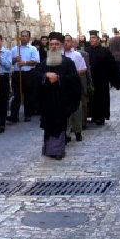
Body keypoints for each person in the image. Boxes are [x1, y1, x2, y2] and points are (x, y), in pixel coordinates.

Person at [39, 32, 81, 160]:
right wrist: (45, 76)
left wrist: (59, 78)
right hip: (47, 101)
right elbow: (36, 77)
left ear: (61, 45)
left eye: (56, 44)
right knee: (48, 126)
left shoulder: (68, 62)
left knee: (59, 126)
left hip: (61, 100)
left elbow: (74, 80)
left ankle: (58, 151)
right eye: (51, 44)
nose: (54, 46)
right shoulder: (44, 63)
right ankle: (48, 149)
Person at [87, 30, 120, 125]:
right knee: (92, 98)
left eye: (94, 38)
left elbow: (112, 66)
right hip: (91, 79)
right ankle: (93, 116)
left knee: (102, 98)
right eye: (91, 38)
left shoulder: (105, 51)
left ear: (98, 40)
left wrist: (115, 80)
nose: (92, 40)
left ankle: (101, 116)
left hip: (102, 79)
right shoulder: (87, 51)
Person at [8, 30, 40, 122]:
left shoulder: (32, 49)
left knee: (28, 94)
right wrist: (15, 59)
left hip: (28, 74)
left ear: (29, 38)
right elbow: (10, 62)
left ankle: (28, 114)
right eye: (22, 36)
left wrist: (24, 62)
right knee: (16, 95)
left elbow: (36, 61)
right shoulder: (15, 49)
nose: (24, 38)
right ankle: (14, 115)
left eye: (26, 36)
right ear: (20, 37)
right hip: (17, 74)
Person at [62, 35, 88, 141]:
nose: (66, 43)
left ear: (72, 43)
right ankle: (66, 133)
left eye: (68, 41)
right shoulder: (59, 55)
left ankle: (78, 131)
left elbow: (83, 69)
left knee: (76, 109)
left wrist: (72, 73)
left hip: (74, 85)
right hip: (63, 86)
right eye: (64, 41)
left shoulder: (77, 55)